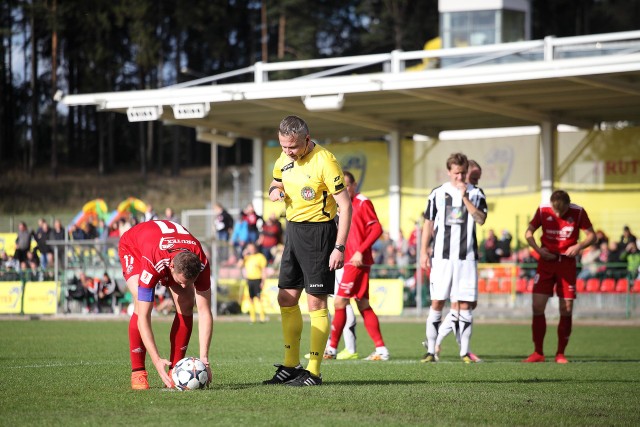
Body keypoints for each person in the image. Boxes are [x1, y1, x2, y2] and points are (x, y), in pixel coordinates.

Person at [263, 115, 351, 387]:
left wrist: (339, 246)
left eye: (292, 147)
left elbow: (346, 207)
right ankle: (291, 365)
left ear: (307, 139)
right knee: (286, 298)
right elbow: (275, 183)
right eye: (283, 146)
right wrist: (274, 192)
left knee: (315, 302)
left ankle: (314, 371)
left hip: (320, 234)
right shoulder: (283, 158)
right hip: (293, 231)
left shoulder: (325, 161)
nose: (287, 151)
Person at [118, 219, 213, 390]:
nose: (184, 286)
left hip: (164, 248)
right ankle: (138, 372)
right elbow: (145, 318)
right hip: (134, 249)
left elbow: (205, 311)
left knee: (187, 301)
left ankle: (175, 370)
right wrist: (156, 360)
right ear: (171, 267)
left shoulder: (202, 263)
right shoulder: (153, 263)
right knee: (141, 306)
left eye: (189, 282)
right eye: (181, 281)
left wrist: (204, 358)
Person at [420, 153, 487, 364]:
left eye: (463, 173)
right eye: (457, 173)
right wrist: (423, 251)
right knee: (437, 302)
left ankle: (464, 352)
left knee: (466, 305)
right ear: (449, 172)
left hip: (467, 258)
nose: (460, 177)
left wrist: (465, 197)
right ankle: (431, 351)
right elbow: (428, 224)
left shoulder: (476, 193)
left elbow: (481, 219)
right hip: (442, 258)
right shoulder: (437, 194)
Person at [523, 190, 595, 364]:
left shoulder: (578, 212)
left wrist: (578, 247)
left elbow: (592, 236)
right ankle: (538, 352)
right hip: (546, 262)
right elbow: (528, 233)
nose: (558, 215)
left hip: (566, 264)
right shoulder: (543, 210)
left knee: (567, 308)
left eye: (561, 212)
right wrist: (539, 251)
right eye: (556, 211)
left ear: (568, 206)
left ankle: (560, 354)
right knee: (537, 305)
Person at [323, 170, 389, 361]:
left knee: (339, 302)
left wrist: (360, 250)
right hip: (350, 260)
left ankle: (332, 349)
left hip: (357, 261)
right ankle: (381, 350)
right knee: (363, 304)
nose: (343, 189)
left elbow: (377, 228)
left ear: (353, 186)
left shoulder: (362, 201)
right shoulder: (342, 206)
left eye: (346, 185)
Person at [237, 242, 268, 323]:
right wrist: (242, 256)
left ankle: (262, 317)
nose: (251, 250)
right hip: (249, 280)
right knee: (250, 299)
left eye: (252, 248)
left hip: (257, 279)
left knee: (259, 298)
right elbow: (239, 266)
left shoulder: (260, 257)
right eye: (249, 248)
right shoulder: (246, 257)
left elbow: (264, 270)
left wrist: (263, 281)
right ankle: (252, 318)